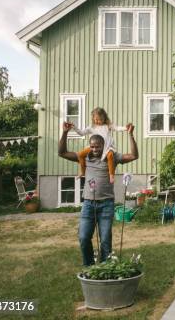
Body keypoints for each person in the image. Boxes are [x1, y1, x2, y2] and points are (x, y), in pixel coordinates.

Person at [58, 121, 138, 266]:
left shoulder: (111, 156)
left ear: (103, 146)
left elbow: (133, 156)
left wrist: (131, 135)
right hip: (88, 204)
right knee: (83, 237)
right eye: (92, 146)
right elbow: (62, 152)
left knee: (106, 240)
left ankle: (105, 268)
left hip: (106, 204)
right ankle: (89, 267)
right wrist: (64, 133)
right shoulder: (85, 157)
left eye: (98, 147)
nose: (95, 149)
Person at [72, 107, 130, 184]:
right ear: (93, 119)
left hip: (106, 146)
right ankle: (83, 171)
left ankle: (111, 175)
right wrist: (74, 127)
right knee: (80, 154)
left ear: (104, 118)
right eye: (96, 119)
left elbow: (117, 128)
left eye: (100, 119)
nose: (98, 121)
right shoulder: (91, 127)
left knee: (110, 156)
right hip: (94, 147)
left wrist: (126, 128)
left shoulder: (107, 125)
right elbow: (81, 133)